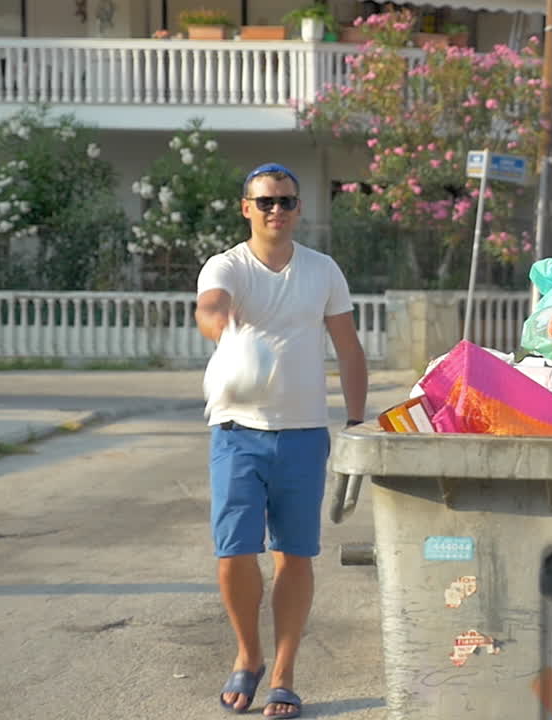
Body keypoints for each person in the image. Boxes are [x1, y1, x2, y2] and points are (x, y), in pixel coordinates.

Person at [194, 163, 367, 718]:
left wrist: (357, 420)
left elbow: (348, 346)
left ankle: (285, 674)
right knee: (233, 554)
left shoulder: (322, 271)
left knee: (294, 555)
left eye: (287, 202)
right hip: (236, 431)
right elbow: (211, 307)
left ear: (298, 209)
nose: (277, 211)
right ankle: (249, 655)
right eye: (266, 201)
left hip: (302, 434)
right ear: (246, 207)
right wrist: (226, 334)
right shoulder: (226, 265)